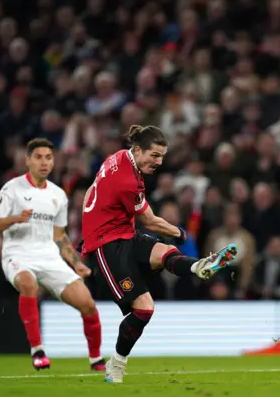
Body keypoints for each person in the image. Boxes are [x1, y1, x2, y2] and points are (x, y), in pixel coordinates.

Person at [81, 125, 237, 383]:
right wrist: (179, 231)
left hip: (124, 233)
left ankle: (199, 267)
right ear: (138, 149)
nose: (159, 162)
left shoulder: (118, 157)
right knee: (144, 309)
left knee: (164, 252)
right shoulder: (127, 180)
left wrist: (90, 212)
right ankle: (116, 364)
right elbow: (151, 221)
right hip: (106, 244)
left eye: (162, 156)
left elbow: (92, 190)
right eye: (154, 155)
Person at [0, 138, 104, 371]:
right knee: (28, 284)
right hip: (18, 254)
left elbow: (59, 235)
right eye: (38, 157)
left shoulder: (58, 195)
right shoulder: (12, 189)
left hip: (49, 257)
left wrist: (76, 263)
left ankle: (96, 359)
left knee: (87, 304)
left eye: (48, 158)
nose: (44, 162)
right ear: (27, 160)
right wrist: (14, 219)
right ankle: (37, 350)